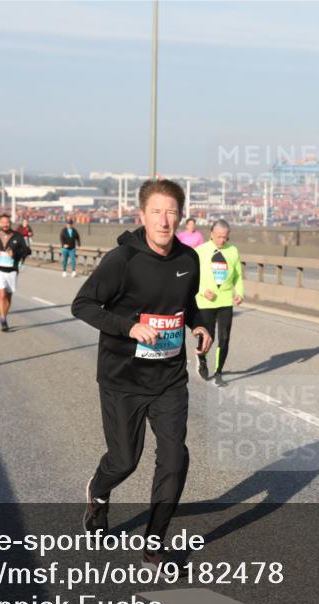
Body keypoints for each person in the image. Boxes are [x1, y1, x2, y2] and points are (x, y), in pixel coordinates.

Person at [72, 179, 213, 570]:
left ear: (181, 217)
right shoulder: (123, 260)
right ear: (142, 216)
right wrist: (128, 327)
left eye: (171, 212)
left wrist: (201, 327)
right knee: (124, 461)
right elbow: (82, 305)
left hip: (169, 378)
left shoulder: (190, 260)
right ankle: (98, 495)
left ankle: (155, 541)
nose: (164, 221)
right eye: (156, 212)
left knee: (174, 458)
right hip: (123, 378)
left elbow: (193, 306)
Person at [194, 220, 244, 387]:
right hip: (205, 301)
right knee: (208, 337)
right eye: (219, 237)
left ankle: (218, 372)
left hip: (225, 300)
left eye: (225, 237)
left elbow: (237, 275)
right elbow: (192, 276)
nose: (222, 240)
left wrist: (240, 293)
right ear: (211, 234)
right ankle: (201, 358)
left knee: (224, 337)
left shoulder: (233, 251)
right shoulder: (200, 251)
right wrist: (202, 290)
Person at [0, 213, 31, 332]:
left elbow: (27, 251)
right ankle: (3, 319)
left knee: (9, 296)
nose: (5, 225)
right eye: (3, 222)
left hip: (12, 270)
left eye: (7, 222)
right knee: (2, 294)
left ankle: (4, 315)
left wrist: (15, 253)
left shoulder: (18, 236)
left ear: (10, 223)